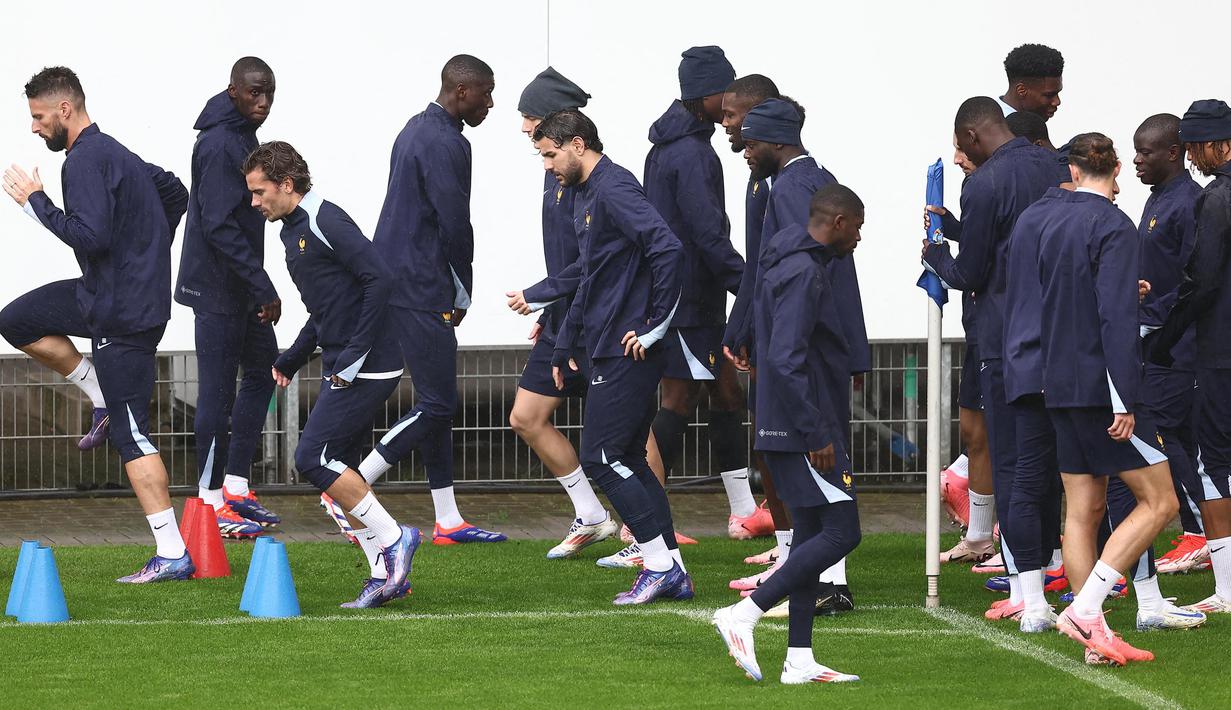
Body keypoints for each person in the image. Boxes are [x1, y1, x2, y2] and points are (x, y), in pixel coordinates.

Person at [1, 67, 191, 582]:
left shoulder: (84, 161)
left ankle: (172, 552)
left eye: (39, 117)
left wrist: (34, 204)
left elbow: (92, 238)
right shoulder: (117, 152)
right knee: (16, 320)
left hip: (122, 314)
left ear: (65, 110)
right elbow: (176, 193)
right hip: (110, 297)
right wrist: (147, 251)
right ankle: (97, 387)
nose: (36, 128)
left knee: (132, 437)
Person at [243, 141, 420, 608]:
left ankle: (395, 537)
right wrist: (292, 357)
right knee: (334, 478)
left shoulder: (326, 220)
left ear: (286, 185)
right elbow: (325, 308)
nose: (255, 203)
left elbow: (379, 279)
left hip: (367, 364)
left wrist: (354, 357)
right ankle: (384, 573)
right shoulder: (289, 232)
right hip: (343, 360)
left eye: (260, 192)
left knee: (312, 458)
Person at [1026, 133, 1178, 664]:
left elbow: (1070, 296)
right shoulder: (1113, 222)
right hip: (1099, 386)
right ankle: (1087, 610)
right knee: (1161, 501)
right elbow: (1114, 320)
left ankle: (1093, 635)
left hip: (1057, 380)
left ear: (1071, 168)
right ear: (1114, 167)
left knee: (1083, 508)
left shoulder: (1050, 220)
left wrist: (1119, 291)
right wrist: (1124, 397)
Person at [532, 109, 693, 604]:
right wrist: (562, 344)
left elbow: (669, 249)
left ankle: (659, 565)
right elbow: (590, 277)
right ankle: (673, 568)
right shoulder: (585, 194)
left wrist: (654, 326)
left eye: (550, 154)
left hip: (630, 348)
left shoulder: (615, 187)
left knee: (600, 458)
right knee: (623, 457)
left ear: (577, 144)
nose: (547, 167)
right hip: (601, 345)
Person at [712, 184, 865, 685]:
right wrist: (817, 430)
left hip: (785, 421)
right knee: (844, 532)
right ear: (838, 222)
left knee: (810, 538)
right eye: (858, 228)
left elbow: (769, 345)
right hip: (806, 428)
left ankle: (798, 659)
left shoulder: (783, 258)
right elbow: (785, 357)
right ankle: (745, 615)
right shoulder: (804, 271)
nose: (860, 240)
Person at [351, 55, 505, 544]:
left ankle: (448, 519)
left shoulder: (415, 128)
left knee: (435, 400)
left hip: (400, 280)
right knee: (439, 404)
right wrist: (463, 288)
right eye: (486, 92)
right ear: (462, 92)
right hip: (421, 286)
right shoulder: (446, 142)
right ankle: (350, 485)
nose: (491, 103)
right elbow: (454, 223)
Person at [922, 97, 1066, 620]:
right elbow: (1008, 235)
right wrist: (958, 227)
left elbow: (973, 272)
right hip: (1058, 334)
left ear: (971, 135)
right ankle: (1053, 562)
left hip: (1005, 340)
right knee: (1049, 462)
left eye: (960, 146)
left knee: (1011, 466)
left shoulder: (984, 182)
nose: (960, 156)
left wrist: (936, 253)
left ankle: (1024, 590)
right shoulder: (1049, 163)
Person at [729, 98, 866, 615]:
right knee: (816, 496)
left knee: (820, 486)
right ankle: (800, 604)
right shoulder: (806, 181)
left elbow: (789, 281)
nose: (743, 149)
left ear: (776, 141)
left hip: (806, 362)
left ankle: (817, 584)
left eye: (748, 140)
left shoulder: (790, 188)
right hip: (811, 355)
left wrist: (745, 330)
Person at [643, 47, 761, 538]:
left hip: (695, 297)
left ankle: (742, 510)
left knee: (725, 392)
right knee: (678, 398)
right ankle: (641, 521)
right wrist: (751, 287)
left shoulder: (675, 145)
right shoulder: (691, 153)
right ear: (707, 95)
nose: (732, 102)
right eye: (727, 94)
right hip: (689, 300)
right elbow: (707, 234)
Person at [504, 66, 618, 559]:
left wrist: (544, 293)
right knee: (526, 417)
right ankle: (592, 516)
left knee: (625, 431)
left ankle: (644, 532)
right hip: (563, 316)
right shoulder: (554, 174)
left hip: (596, 321)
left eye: (530, 117)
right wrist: (551, 308)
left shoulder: (591, 180)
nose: (525, 128)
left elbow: (592, 261)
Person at [175, 56, 281, 538]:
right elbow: (217, 225)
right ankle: (209, 501)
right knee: (216, 393)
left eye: (269, 93)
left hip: (241, 284)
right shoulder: (220, 142)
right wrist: (262, 283)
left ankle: (235, 486)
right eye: (254, 93)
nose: (262, 102)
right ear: (233, 90)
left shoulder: (242, 131)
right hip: (218, 288)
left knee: (263, 372)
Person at [1150, 99, 1231, 615]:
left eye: (1196, 147)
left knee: (1215, 464)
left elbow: (1200, 283)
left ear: (1211, 143)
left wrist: (1160, 336)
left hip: (1220, 353)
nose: (1194, 159)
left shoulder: (1216, 199)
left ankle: (1226, 587)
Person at [719, 73, 792, 564]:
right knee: (766, 435)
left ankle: (795, 547)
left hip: (781, 330)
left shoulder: (784, 183)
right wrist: (741, 326)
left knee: (781, 438)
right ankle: (785, 540)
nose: (726, 126)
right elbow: (753, 263)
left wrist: (747, 324)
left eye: (731, 115)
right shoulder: (757, 177)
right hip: (761, 325)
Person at [1133, 114, 1209, 575]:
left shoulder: (1191, 203)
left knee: (1171, 432)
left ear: (1174, 153)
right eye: (1135, 151)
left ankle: (1200, 530)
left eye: (1146, 151)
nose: (1137, 160)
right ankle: (1196, 531)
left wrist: (1153, 318)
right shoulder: (1157, 199)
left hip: (1180, 345)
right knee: (1166, 432)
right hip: (1156, 342)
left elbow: (1192, 280)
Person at [997, 44, 1063, 121]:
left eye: (1057, 93)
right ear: (1021, 90)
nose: (1057, 102)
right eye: (1049, 95)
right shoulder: (988, 128)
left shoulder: (1034, 123)